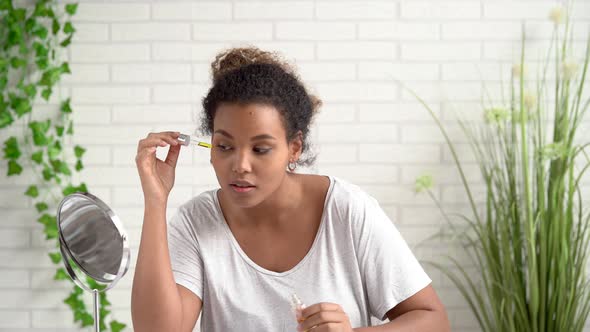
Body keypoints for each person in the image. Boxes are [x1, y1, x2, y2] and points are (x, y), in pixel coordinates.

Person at [131, 47, 450, 332]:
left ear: (293, 148)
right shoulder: (196, 221)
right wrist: (155, 202)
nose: (240, 165)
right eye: (225, 146)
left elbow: (433, 320)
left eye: (261, 149)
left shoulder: (346, 210)